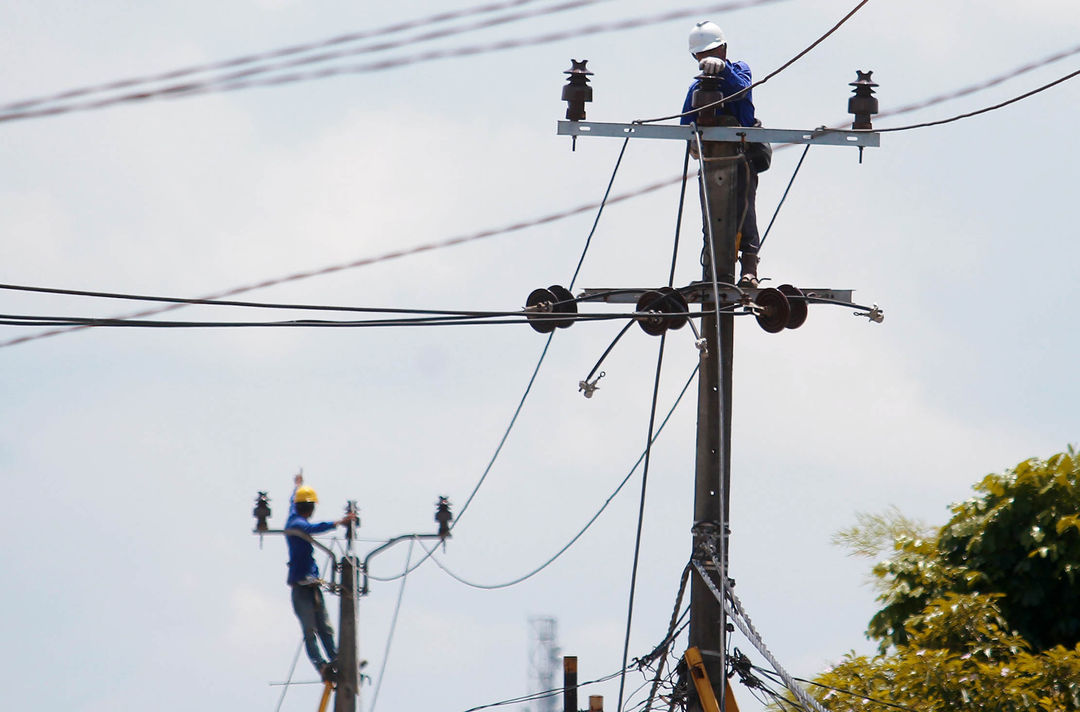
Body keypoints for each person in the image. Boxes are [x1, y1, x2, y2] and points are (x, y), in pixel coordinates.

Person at [680, 20, 767, 287]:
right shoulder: (696, 90)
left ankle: (749, 268)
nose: (709, 58)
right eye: (704, 55)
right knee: (712, 216)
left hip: (742, 158)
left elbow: (742, 89)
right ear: (695, 57)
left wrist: (724, 71)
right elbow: (685, 126)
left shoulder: (740, 70)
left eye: (714, 52)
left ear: (725, 50)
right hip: (711, 163)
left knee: (745, 212)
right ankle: (714, 271)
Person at [285, 473, 356, 680]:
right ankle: (322, 666)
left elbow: (292, 501)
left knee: (324, 627)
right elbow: (313, 528)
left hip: (312, 586)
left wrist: (297, 486)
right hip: (300, 589)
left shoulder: (293, 514)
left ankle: (336, 659)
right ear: (310, 508)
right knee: (310, 630)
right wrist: (339, 522)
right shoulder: (297, 524)